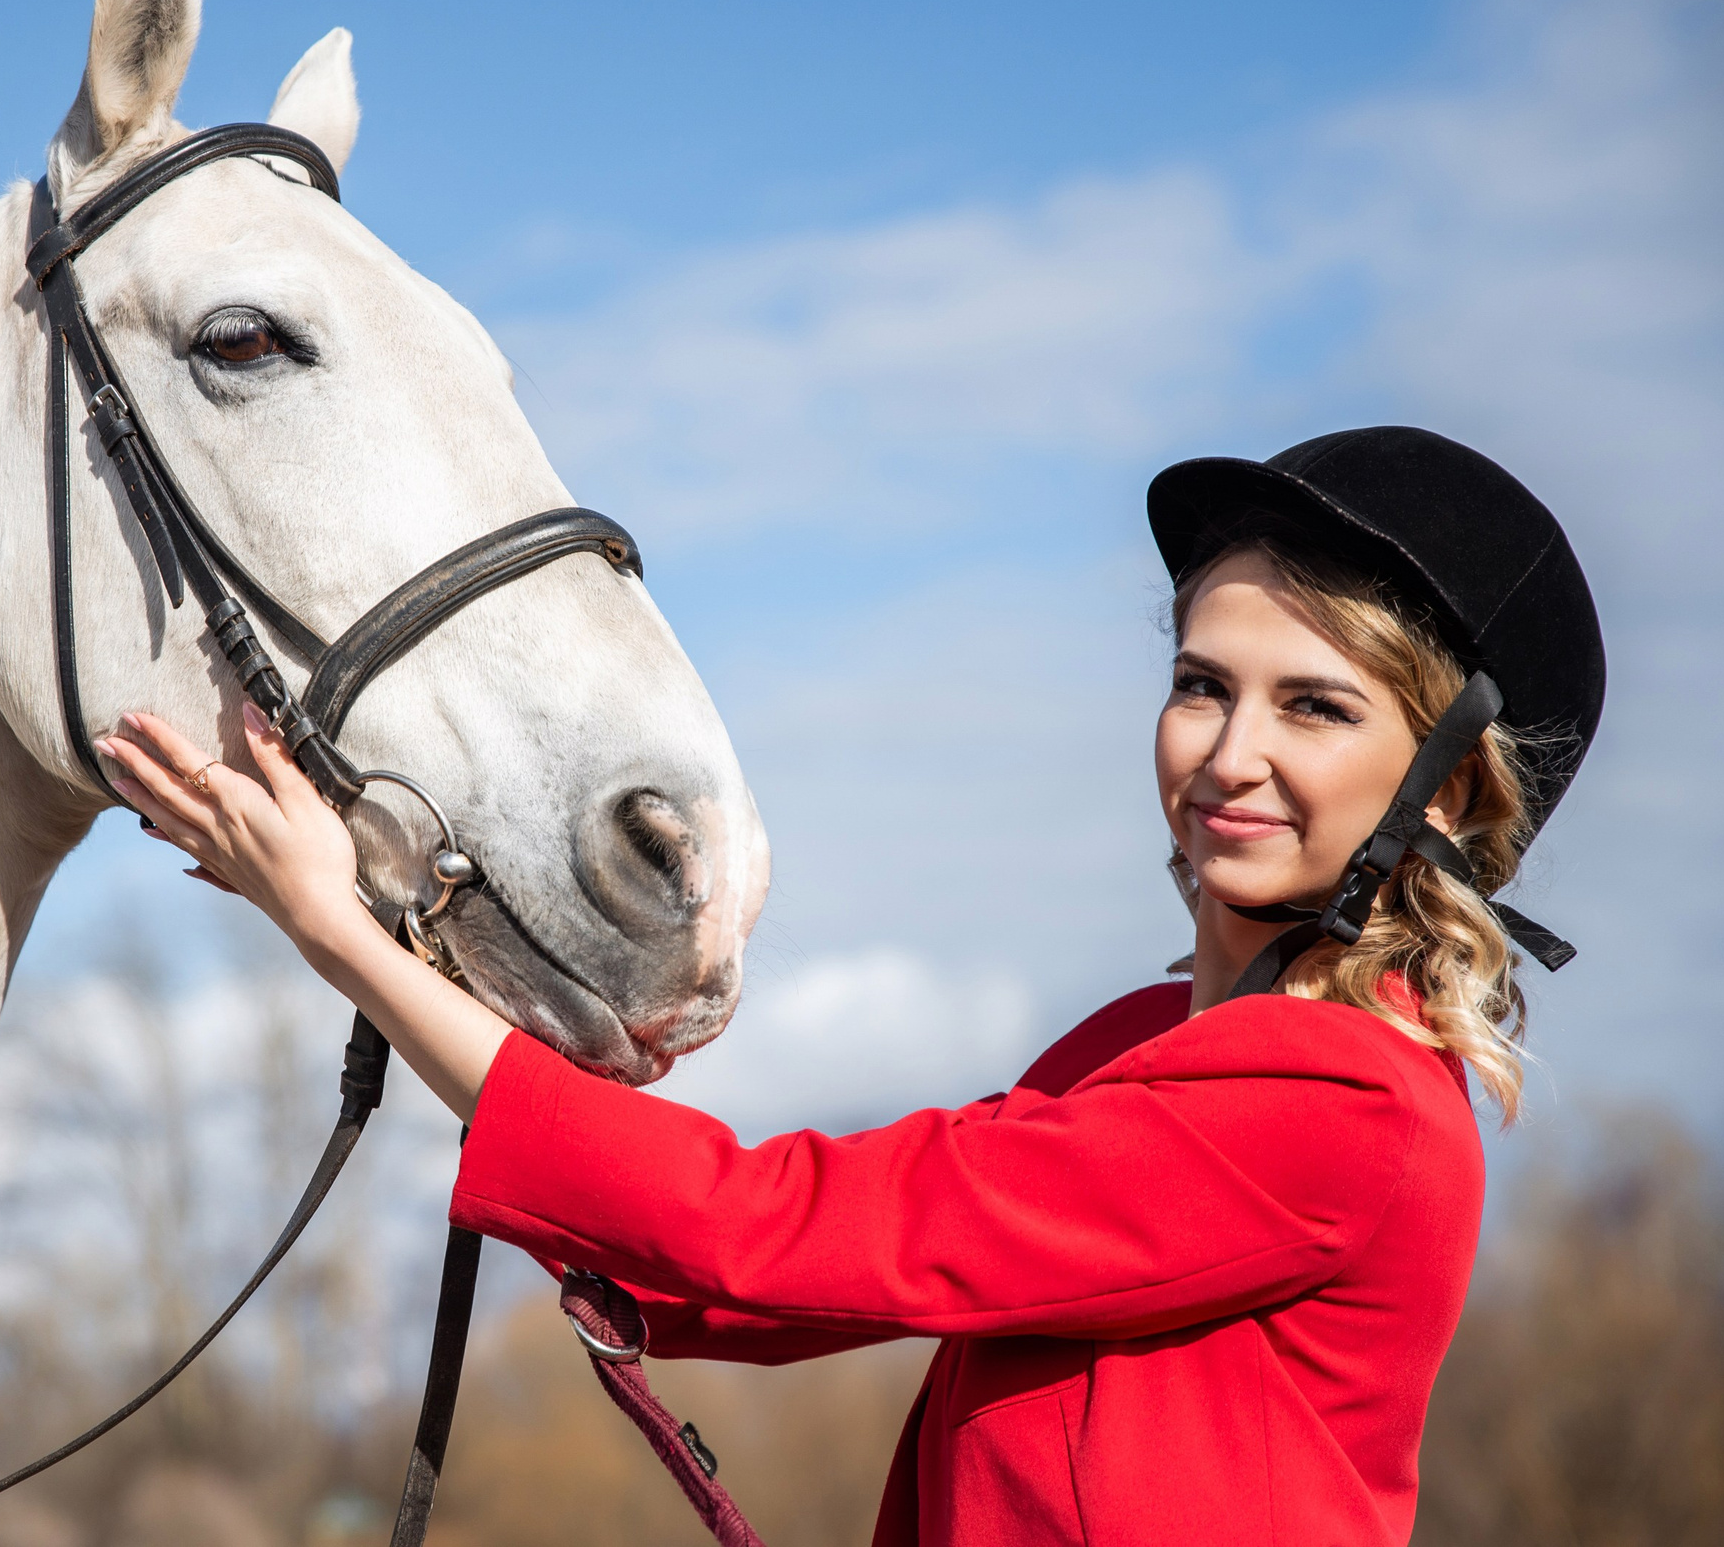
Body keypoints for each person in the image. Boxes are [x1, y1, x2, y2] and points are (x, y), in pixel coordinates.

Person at [96, 425, 1604, 1545]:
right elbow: (798, 1276)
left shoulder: (1345, 1102)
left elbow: (780, 1231)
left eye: (1315, 707)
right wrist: (445, 974)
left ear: (1453, 796)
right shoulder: (1141, 1042)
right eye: (1203, 682)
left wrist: (343, 931)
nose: (1227, 753)